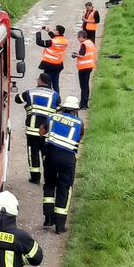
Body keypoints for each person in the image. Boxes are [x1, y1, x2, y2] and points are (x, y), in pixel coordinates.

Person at [39, 96, 85, 234]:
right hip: (67, 158)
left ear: (63, 108)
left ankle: (48, 218)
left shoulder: (53, 117)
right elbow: (80, 137)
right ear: (75, 110)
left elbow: (41, 131)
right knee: (64, 188)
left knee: (49, 184)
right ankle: (60, 226)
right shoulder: (79, 122)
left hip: (51, 155)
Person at [14, 73, 60, 184]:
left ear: (40, 81)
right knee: (46, 155)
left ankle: (35, 178)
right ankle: (48, 177)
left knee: (33, 153)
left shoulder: (30, 92)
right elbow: (57, 109)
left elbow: (17, 99)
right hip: (47, 131)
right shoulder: (55, 95)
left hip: (32, 130)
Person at [35, 24, 68, 94]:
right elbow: (56, 38)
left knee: (47, 84)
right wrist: (49, 31)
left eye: (55, 30)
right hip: (58, 65)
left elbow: (39, 42)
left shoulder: (51, 42)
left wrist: (38, 32)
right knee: (56, 84)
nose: (54, 31)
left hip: (49, 65)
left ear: (57, 32)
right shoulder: (65, 41)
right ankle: (57, 100)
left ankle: (48, 98)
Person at [71, 30, 98, 109]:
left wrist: (75, 55)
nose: (78, 39)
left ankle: (83, 104)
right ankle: (85, 103)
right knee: (86, 85)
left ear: (81, 37)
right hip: (90, 66)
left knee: (83, 86)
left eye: (78, 37)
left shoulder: (84, 44)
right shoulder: (90, 43)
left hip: (84, 67)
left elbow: (82, 55)